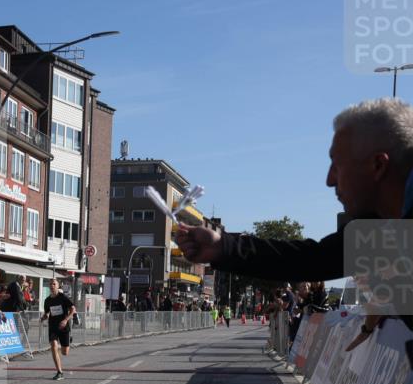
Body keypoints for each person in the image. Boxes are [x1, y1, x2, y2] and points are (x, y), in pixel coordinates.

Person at [176, 98, 412, 287]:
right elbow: (312, 260)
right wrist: (221, 247)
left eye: (337, 165)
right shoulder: (382, 231)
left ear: (378, 165)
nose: (329, 180)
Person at [42, 279, 75, 380]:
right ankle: (59, 372)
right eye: (50, 284)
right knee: (53, 346)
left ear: (58, 286)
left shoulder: (63, 298)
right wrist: (44, 317)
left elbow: (73, 309)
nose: (52, 285)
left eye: (54, 284)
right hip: (53, 327)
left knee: (65, 352)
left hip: (64, 326)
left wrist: (65, 320)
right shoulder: (47, 300)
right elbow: (47, 312)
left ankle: (68, 340)